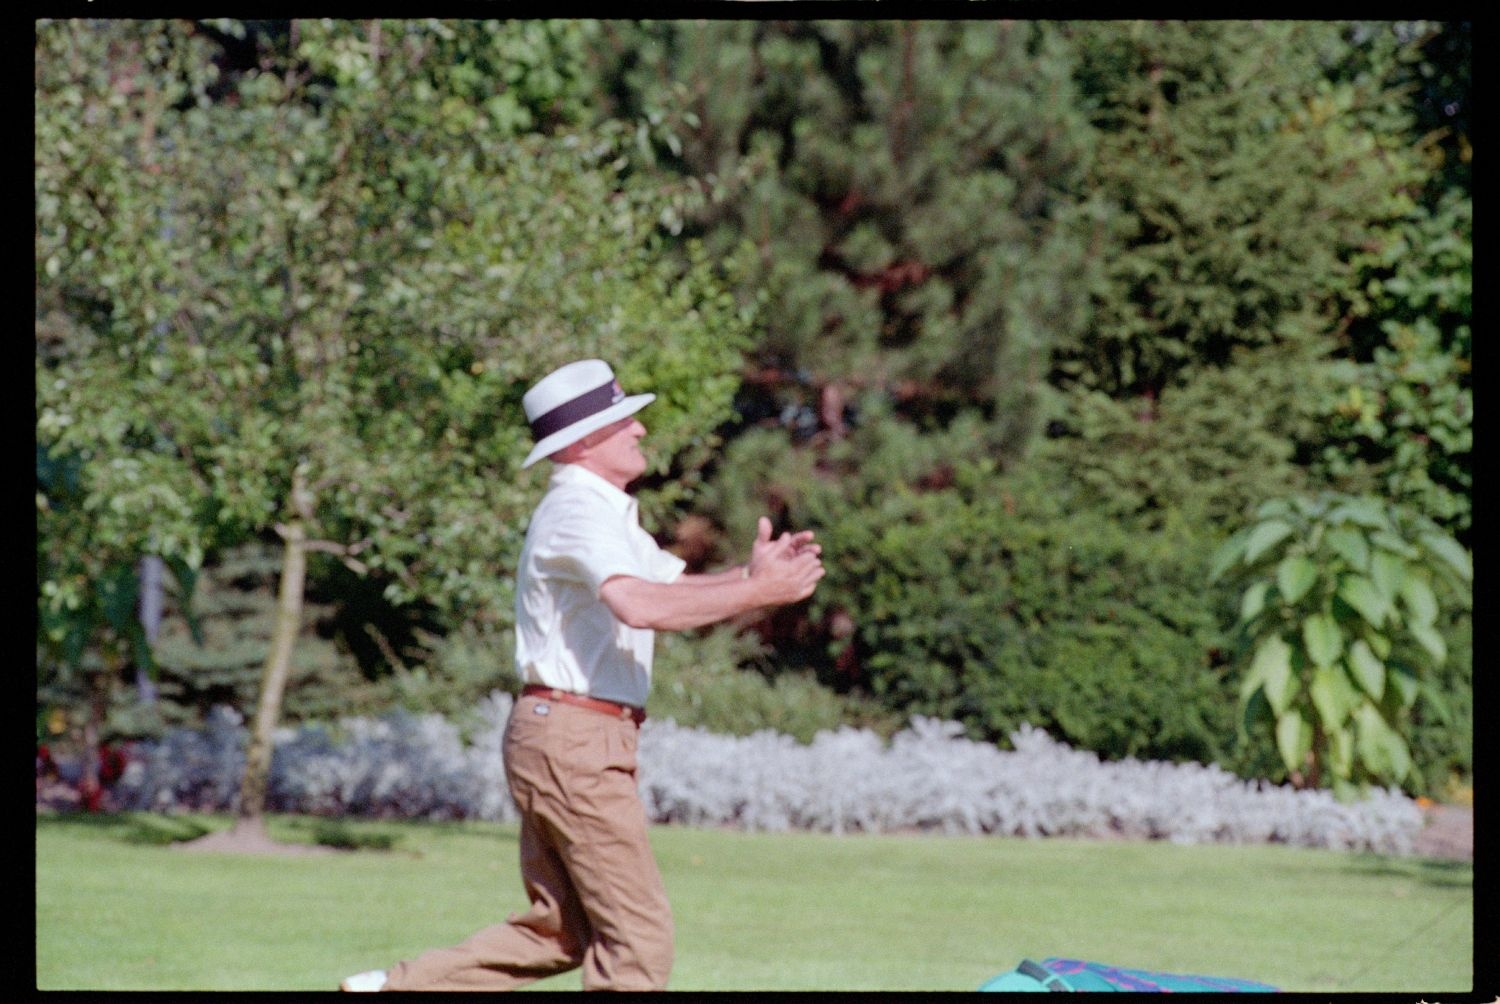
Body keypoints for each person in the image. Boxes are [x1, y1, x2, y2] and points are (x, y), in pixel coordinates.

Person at [342, 359, 825, 992]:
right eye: (623, 419)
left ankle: (388, 990)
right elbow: (642, 606)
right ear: (581, 443)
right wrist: (758, 591)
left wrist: (749, 577)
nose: (640, 431)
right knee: (638, 937)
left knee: (560, 931)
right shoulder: (578, 511)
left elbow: (666, 585)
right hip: (575, 737)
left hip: (565, 734)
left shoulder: (601, 510)